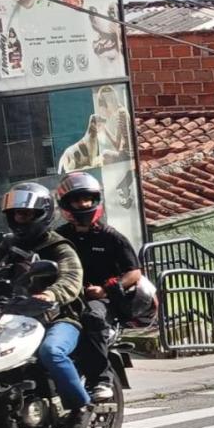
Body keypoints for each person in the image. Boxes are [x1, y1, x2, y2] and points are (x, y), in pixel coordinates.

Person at [0, 182, 90, 428]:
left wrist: (50, 293)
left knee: (52, 351)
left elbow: (72, 279)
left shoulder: (59, 247)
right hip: (14, 317)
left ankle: (80, 407)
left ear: (42, 214)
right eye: (16, 214)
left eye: (25, 214)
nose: (19, 219)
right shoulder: (7, 247)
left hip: (59, 317)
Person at [55, 172, 142, 402]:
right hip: (66, 297)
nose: (83, 204)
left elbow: (134, 272)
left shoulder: (111, 237)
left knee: (92, 317)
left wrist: (105, 289)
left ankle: (101, 379)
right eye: (77, 199)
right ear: (66, 204)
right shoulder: (59, 237)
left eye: (87, 198)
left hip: (102, 299)